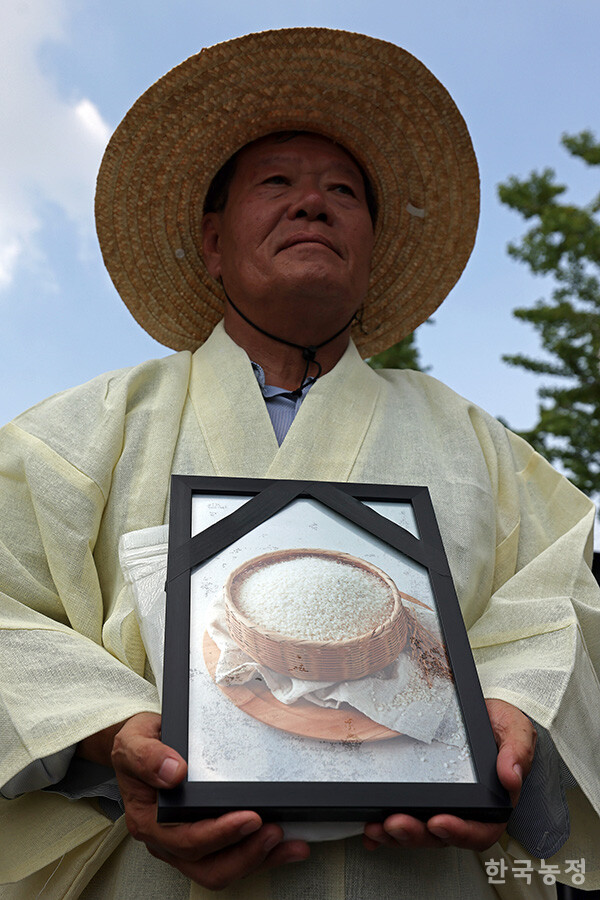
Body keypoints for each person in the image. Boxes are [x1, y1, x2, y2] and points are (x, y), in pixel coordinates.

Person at [1, 27, 599, 899]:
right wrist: (110, 731)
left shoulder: (479, 443)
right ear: (211, 241)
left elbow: (566, 601)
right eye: (276, 183)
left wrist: (510, 717)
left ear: (370, 249)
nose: (311, 204)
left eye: (342, 192)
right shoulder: (87, 430)